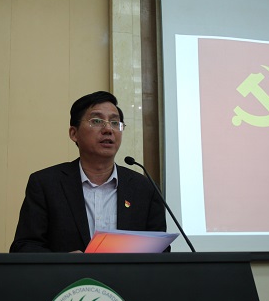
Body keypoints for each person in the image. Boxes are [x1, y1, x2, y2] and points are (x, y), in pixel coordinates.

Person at [10, 91, 167, 252]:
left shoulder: (145, 189)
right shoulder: (46, 184)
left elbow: (161, 252)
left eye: (115, 122)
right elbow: (24, 247)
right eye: (97, 121)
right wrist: (63, 261)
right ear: (74, 133)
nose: (108, 129)